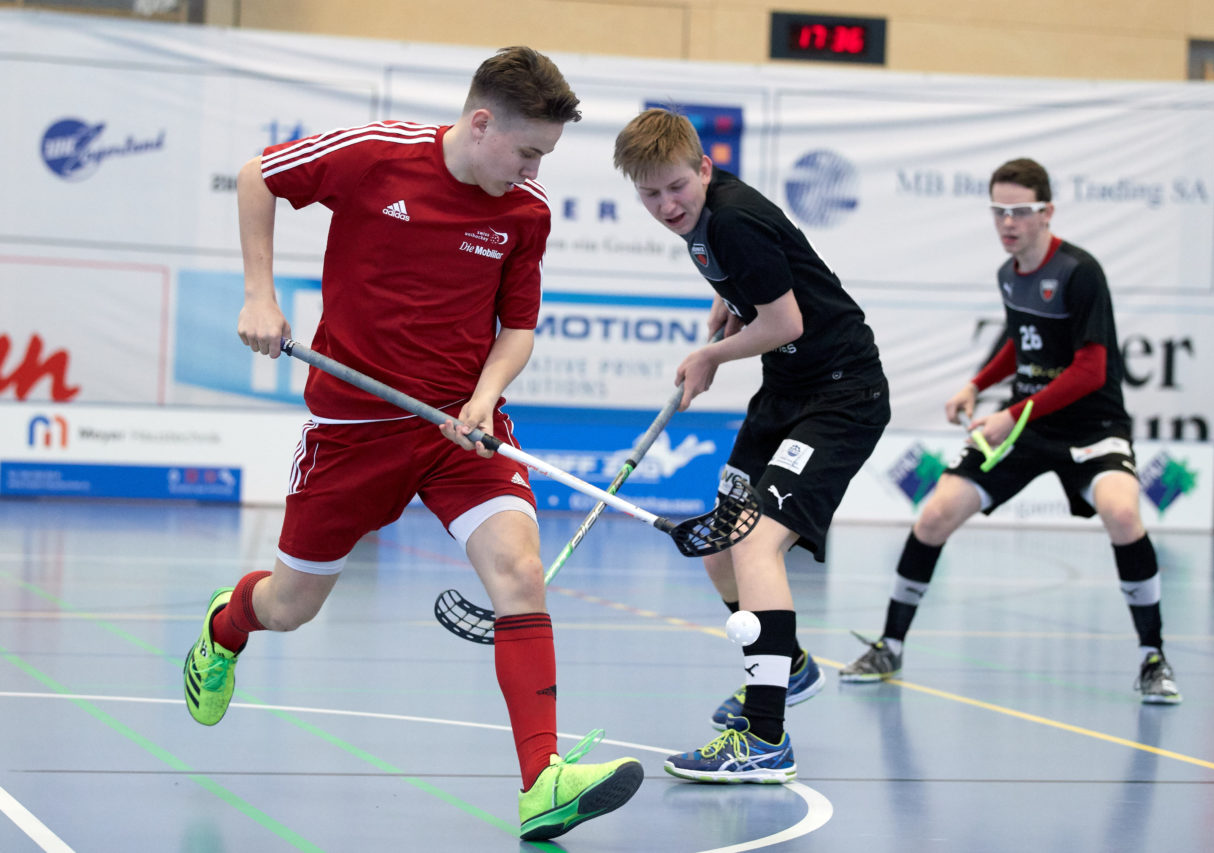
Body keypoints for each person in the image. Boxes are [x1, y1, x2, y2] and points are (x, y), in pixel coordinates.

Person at [181, 46, 643, 841]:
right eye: (528, 151)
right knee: (290, 605)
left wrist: (484, 398)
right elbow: (261, 175)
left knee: (521, 572)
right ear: (480, 121)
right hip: (353, 430)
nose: (534, 171)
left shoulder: (524, 213)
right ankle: (227, 625)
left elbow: (519, 328)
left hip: (461, 430)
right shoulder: (374, 158)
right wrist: (259, 294)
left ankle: (543, 782)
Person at [840, 157, 1182, 705]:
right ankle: (890, 645)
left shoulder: (1079, 271)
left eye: (1020, 211)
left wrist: (1012, 414)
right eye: (999, 211)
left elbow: (1092, 369)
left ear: (1046, 212)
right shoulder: (1009, 274)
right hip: (1024, 425)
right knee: (933, 515)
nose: (1008, 222)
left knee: (1122, 512)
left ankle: (1154, 657)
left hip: (1091, 427)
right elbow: (1019, 342)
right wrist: (976, 385)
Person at [613, 108, 890, 781]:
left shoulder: (731, 217)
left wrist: (713, 356)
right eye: (649, 194)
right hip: (787, 391)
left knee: (755, 543)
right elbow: (765, 284)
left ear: (705, 169)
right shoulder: (705, 221)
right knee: (720, 549)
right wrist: (730, 303)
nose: (666, 204)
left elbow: (786, 319)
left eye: (676, 187)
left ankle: (766, 738)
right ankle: (786, 665)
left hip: (840, 395)